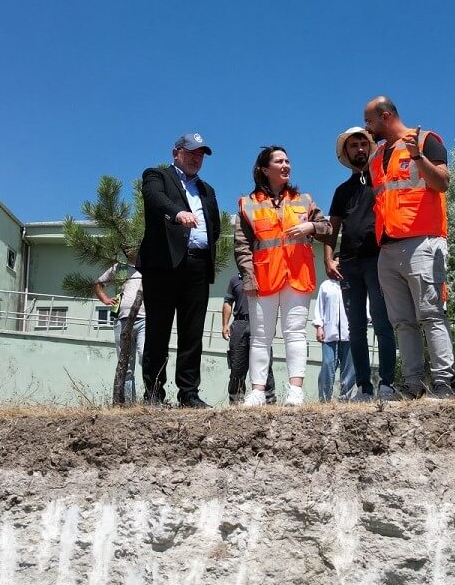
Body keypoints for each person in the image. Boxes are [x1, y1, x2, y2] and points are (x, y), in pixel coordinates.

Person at [362, 96, 455, 398]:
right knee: (401, 320)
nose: (367, 127)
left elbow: (442, 182)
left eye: (370, 121)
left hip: (423, 242)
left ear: (385, 116)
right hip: (388, 248)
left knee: (431, 313)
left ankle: (444, 382)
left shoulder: (426, 140)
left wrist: (418, 157)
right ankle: (413, 383)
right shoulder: (376, 158)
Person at [234, 146, 331, 406]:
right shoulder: (248, 203)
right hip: (264, 277)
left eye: (288, 160)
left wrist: (310, 226)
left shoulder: (304, 200)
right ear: (265, 169)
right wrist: (248, 278)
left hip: (297, 276)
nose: (286, 165)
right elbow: (242, 246)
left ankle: (295, 390)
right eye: (279, 161)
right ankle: (257, 391)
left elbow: (327, 228)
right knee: (261, 336)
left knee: (295, 333)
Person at [137, 133, 221, 408]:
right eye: (191, 152)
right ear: (176, 153)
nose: (196, 158)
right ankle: (153, 394)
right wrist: (177, 214)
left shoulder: (207, 190)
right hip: (164, 265)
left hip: (197, 266)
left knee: (192, 333)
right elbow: (155, 199)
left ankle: (188, 394)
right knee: (158, 331)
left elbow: (215, 227)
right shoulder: (157, 176)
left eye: (201, 155)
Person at [325, 127, 398, 401]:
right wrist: (328, 257)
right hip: (349, 265)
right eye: (353, 145)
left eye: (362, 144)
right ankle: (364, 387)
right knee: (355, 328)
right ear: (346, 153)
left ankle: (388, 384)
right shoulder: (342, 191)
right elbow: (332, 229)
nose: (359, 149)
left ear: (370, 148)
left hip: (378, 259)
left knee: (382, 322)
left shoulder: (381, 180)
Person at [94, 245, 146, 403]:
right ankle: (129, 403)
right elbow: (98, 283)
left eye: (134, 246)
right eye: (127, 247)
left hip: (145, 319)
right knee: (126, 365)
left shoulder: (148, 267)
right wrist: (105, 299)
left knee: (146, 357)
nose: (131, 250)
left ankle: (152, 397)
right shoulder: (120, 268)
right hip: (122, 321)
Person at [222, 272, 276, 404]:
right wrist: (225, 325)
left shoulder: (266, 277)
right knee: (237, 367)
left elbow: (274, 303)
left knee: (265, 365)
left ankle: (269, 402)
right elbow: (228, 302)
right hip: (240, 324)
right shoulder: (235, 279)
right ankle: (235, 402)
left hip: (260, 324)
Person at [312, 278, 355, 402]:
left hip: (350, 333)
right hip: (329, 334)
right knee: (327, 365)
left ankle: (345, 399)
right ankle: (324, 399)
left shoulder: (354, 281)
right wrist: (319, 327)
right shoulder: (326, 285)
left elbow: (363, 305)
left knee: (349, 369)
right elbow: (319, 307)